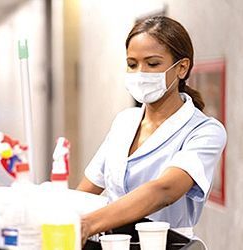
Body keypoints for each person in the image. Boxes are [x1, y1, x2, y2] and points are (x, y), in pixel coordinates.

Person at [77, 16, 227, 246]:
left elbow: (164, 190)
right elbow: (86, 192)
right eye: (132, 64)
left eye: (153, 64)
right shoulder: (124, 122)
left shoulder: (205, 131)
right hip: (114, 244)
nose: (140, 73)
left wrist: (88, 224)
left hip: (166, 244)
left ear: (182, 68)